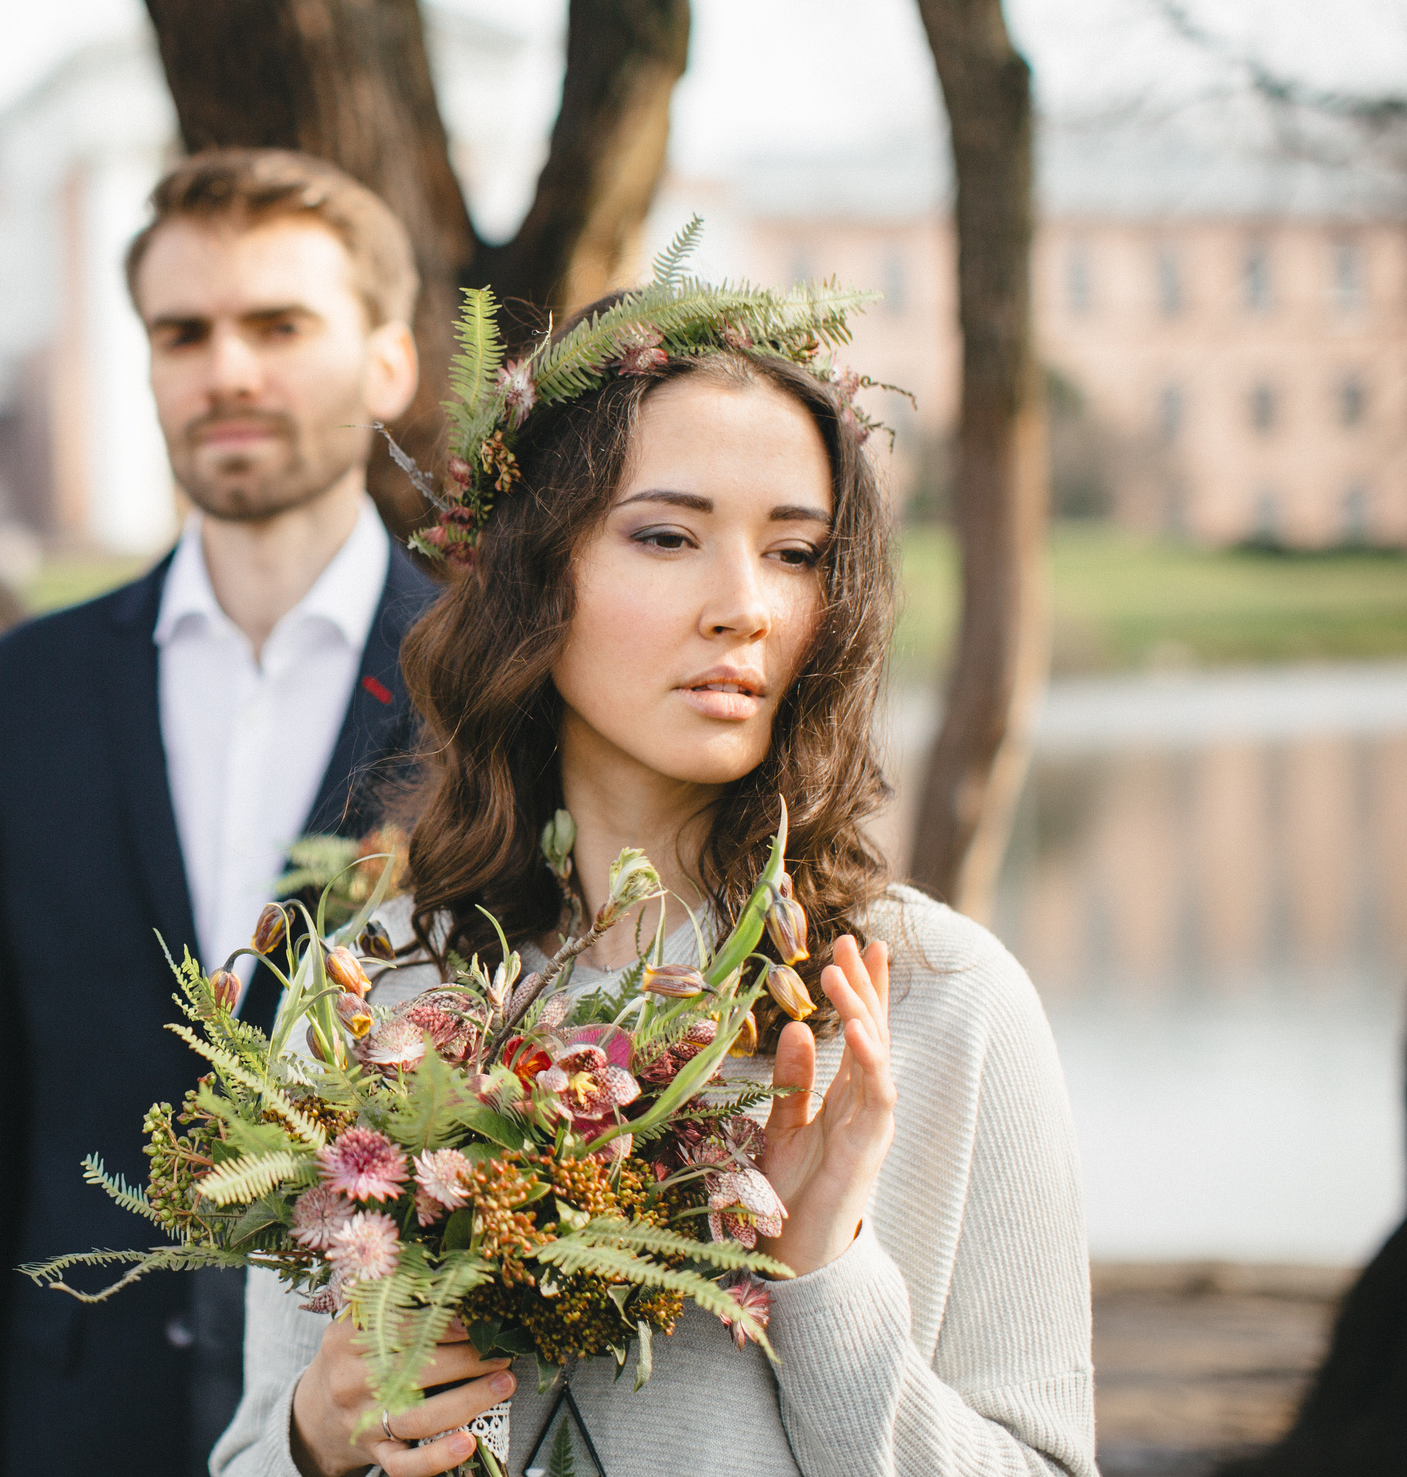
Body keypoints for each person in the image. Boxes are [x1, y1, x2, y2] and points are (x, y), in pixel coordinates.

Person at [213, 288, 1096, 1476]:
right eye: (667, 537)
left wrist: (827, 1279)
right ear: (534, 570)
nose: (742, 608)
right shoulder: (373, 983)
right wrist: (323, 1433)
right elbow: (252, 1457)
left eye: (795, 553)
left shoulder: (936, 1004)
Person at [0, 149, 444, 1476]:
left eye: (279, 325)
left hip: (387, 1427)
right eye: (183, 331)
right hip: (79, 1421)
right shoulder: (19, 696)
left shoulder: (487, 685)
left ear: (388, 364)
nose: (229, 370)